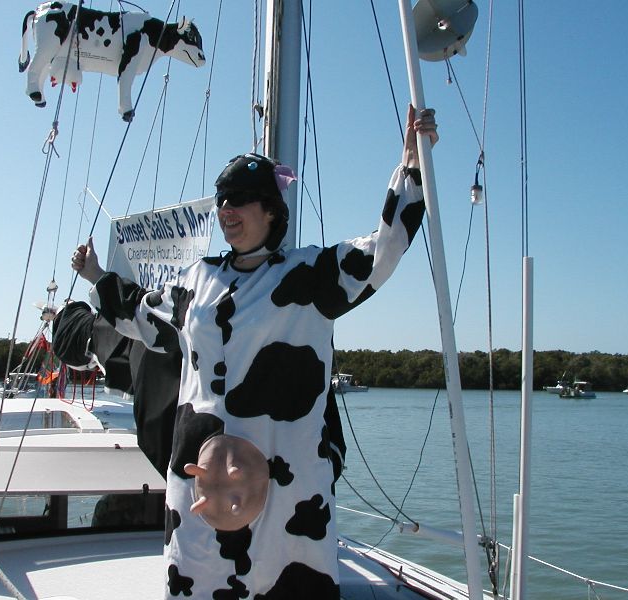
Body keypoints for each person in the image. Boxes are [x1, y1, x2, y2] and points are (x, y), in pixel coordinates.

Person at [71, 104, 437, 598]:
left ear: (271, 211)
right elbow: (139, 316)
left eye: (242, 199)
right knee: (197, 583)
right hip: (202, 488)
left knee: (292, 585)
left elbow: (383, 250)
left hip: (290, 491)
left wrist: (412, 167)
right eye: (223, 199)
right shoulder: (197, 280)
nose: (228, 209)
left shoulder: (309, 277)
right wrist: (97, 276)